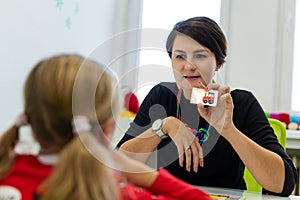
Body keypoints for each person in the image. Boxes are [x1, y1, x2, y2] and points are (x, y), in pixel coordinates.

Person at [117, 16, 297, 196]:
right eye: (179, 56)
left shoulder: (241, 103)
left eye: (200, 56)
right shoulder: (162, 96)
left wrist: (228, 129)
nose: (188, 66)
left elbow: (282, 184)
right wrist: (164, 126)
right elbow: (117, 165)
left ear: (218, 62)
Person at [0, 54, 212, 200]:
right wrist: (128, 167)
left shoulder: (6, 173)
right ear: (108, 127)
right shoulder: (111, 190)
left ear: (31, 117)